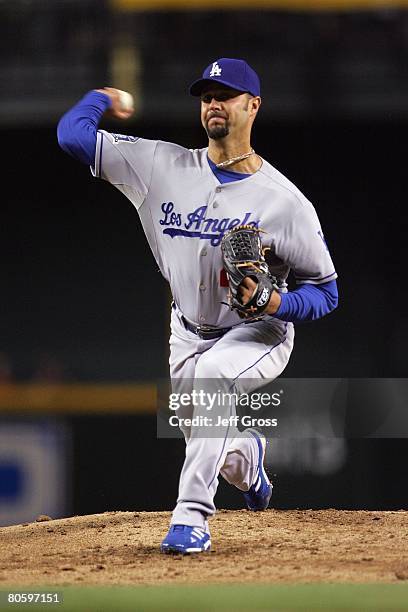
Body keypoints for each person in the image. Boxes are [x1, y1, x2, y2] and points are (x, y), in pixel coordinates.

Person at [57, 58, 338, 554]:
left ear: (253, 106)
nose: (213, 103)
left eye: (225, 94)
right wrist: (103, 97)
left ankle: (191, 520)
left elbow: (326, 292)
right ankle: (247, 458)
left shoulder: (287, 203)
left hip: (258, 331)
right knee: (211, 434)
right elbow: (72, 137)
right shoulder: (161, 166)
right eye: (206, 95)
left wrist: (278, 300)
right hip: (186, 332)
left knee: (212, 381)